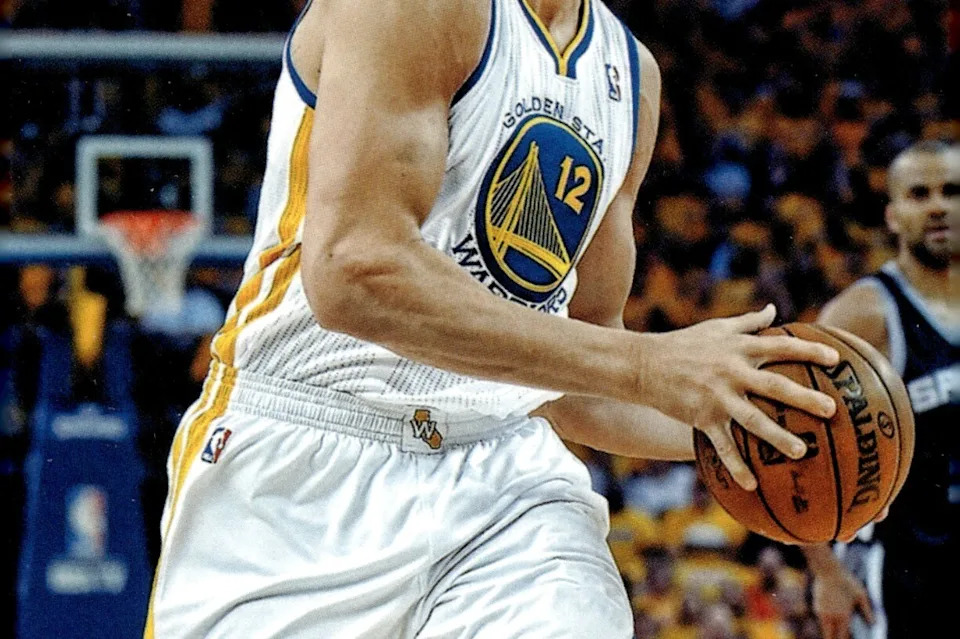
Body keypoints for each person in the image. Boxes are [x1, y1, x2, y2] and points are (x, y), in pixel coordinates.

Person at [144, 1, 841, 637]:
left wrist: (756, 426)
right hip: (301, 467)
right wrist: (647, 365)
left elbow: (574, 377)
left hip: (503, 476)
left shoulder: (631, 77)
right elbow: (356, 272)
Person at [803, 139, 959, 639]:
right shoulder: (864, 314)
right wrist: (825, 570)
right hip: (900, 570)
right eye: (919, 194)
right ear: (892, 215)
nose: (938, 206)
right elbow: (790, 441)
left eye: (951, 191)